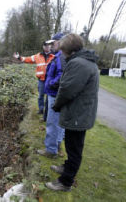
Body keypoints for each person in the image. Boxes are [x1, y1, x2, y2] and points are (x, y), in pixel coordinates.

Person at [45, 33, 99, 191]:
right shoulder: (83, 61)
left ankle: (65, 182)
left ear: (69, 50)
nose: (61, 53)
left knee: (74, 148)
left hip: (78, 114)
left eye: (63, 50)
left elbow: (67, 89)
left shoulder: (79, 64)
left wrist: (56, 105)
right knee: (71, 144)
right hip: (79, 112)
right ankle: (67, 167)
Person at [37, 32, 66, 157]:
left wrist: (50, 84)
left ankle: (50, 150)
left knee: (52, 122)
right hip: (56, 94)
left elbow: (61, 76)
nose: (51, 46)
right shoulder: (60, 56)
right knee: (58, 122)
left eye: (53, 43)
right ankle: (57, 145)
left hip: (55, 94)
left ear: (59, 42)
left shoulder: (60, 58)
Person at [14, 41, 55, 115]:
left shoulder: (54, 56)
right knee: (41, 96)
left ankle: (49, 111)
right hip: (41, 80)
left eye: (48, 45)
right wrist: (19, 58)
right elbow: (28, 59)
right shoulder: (38, 56)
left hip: (50, 80)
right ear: (43, 47)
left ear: (50, 46)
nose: (47, 47)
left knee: (50, 96)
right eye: (45, 45)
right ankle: (41, 109)